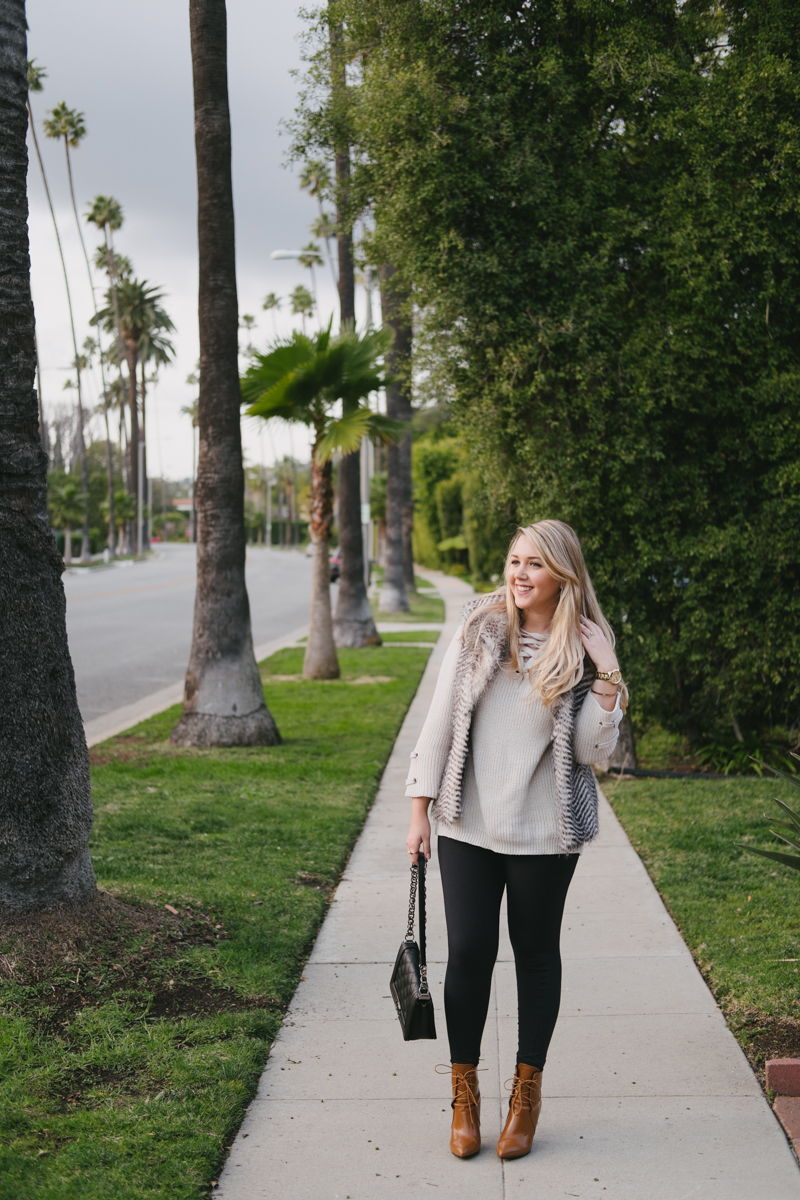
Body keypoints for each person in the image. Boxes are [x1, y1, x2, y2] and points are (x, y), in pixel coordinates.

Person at [405, 519, 626, 1160]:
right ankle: (464, 1095)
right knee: (469, 951)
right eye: (514, 561)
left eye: (534, 564)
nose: (519, 574)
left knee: (535, 955)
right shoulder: (480, 629)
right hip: (468, 824)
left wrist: (608, 675)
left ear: (563, 574)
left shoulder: (585, 646)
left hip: (544, 831)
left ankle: (526, 1097)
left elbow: (588, 750)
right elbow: (440, 718)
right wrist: (420, 810)